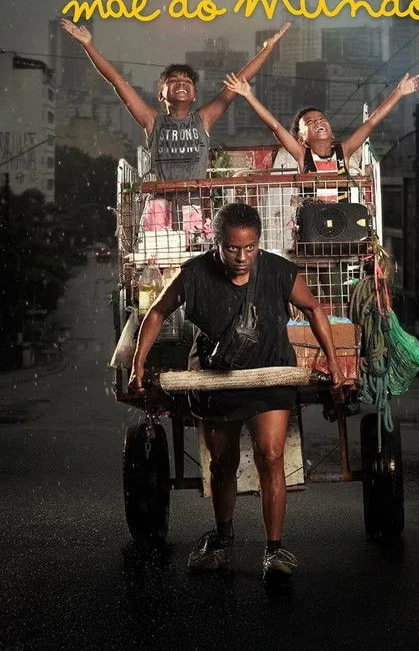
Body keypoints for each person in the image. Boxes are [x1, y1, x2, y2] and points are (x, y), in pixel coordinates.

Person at [129, 203, 345, 581]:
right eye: (232, 249)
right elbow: (158, 312)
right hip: (216, 380)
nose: (242, 258)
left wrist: (334, 361)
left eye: (250, 248)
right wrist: (138, 364)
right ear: (216, 243)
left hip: (269, 374)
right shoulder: (194, 275)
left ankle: (274, 551)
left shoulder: (279, 271)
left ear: (258, 243)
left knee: (271, 456)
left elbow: (313, 309)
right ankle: (223, 539)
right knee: (222, 462)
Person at [60, 19, 291, 180]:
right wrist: (89, 45)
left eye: (188, 81)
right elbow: (117, 81)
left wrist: (268, 49)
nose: (181, 83)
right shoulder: (152, 121)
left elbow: (239, 81)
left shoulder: (203, 119)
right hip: (160, 205)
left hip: (194, 205)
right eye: (173, 80)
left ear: (194, 94)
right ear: (161, 93)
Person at [222, 72, 419, 173]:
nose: (318, 122)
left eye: (322, 119)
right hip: (313, 228)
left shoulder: (343, 152)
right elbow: (274, 125)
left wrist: (399, 92)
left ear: (332, 132)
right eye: (310, 122)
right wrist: (248, 94)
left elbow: (372, 122)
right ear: (302, 139)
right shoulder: (302, 156)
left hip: (341, 226)